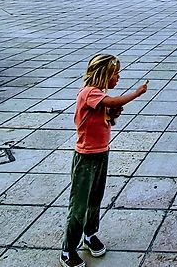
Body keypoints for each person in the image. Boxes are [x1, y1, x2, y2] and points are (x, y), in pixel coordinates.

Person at [61, 54, 147, 267]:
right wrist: (136, 94)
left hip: (101, 154)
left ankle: (89, 235)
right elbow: (113, 100)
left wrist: (114, 112)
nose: (118, 77)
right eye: (115, 73)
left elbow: (108, 113)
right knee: (79, 205)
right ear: (103, 74)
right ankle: (68, 249)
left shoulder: (97, 95)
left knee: (95, 199)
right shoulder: (88, 93)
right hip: (85, 158)